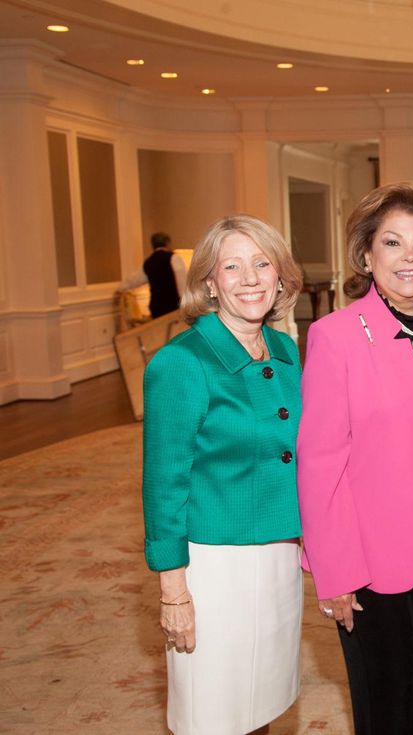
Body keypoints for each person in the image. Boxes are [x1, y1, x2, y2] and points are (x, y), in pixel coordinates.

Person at [297, 182, 413, 735]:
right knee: (388, 705)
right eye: (392, 243)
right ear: (367, 255)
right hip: (372, 562)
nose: (409, 258)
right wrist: (335, 571)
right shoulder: (335, 337)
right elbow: (319, 462)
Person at [141, 214, 305, 735]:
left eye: (262, 263)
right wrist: (174, 592)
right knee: (212, 711)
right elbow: (163, 483)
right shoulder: (181, 363)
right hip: (212, 567)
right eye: (232, 266)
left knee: (265, 702)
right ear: (209, 283)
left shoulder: (285, 351)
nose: (251, 278)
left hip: (280, 556)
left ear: (281, 276)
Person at [118, 231, 187, 318]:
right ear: (167, 243)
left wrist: (120, 288)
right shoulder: (174, 258)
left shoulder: (149, 262)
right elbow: (182, 285)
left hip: (156, 307)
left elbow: (135, 280)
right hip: (172, 306)